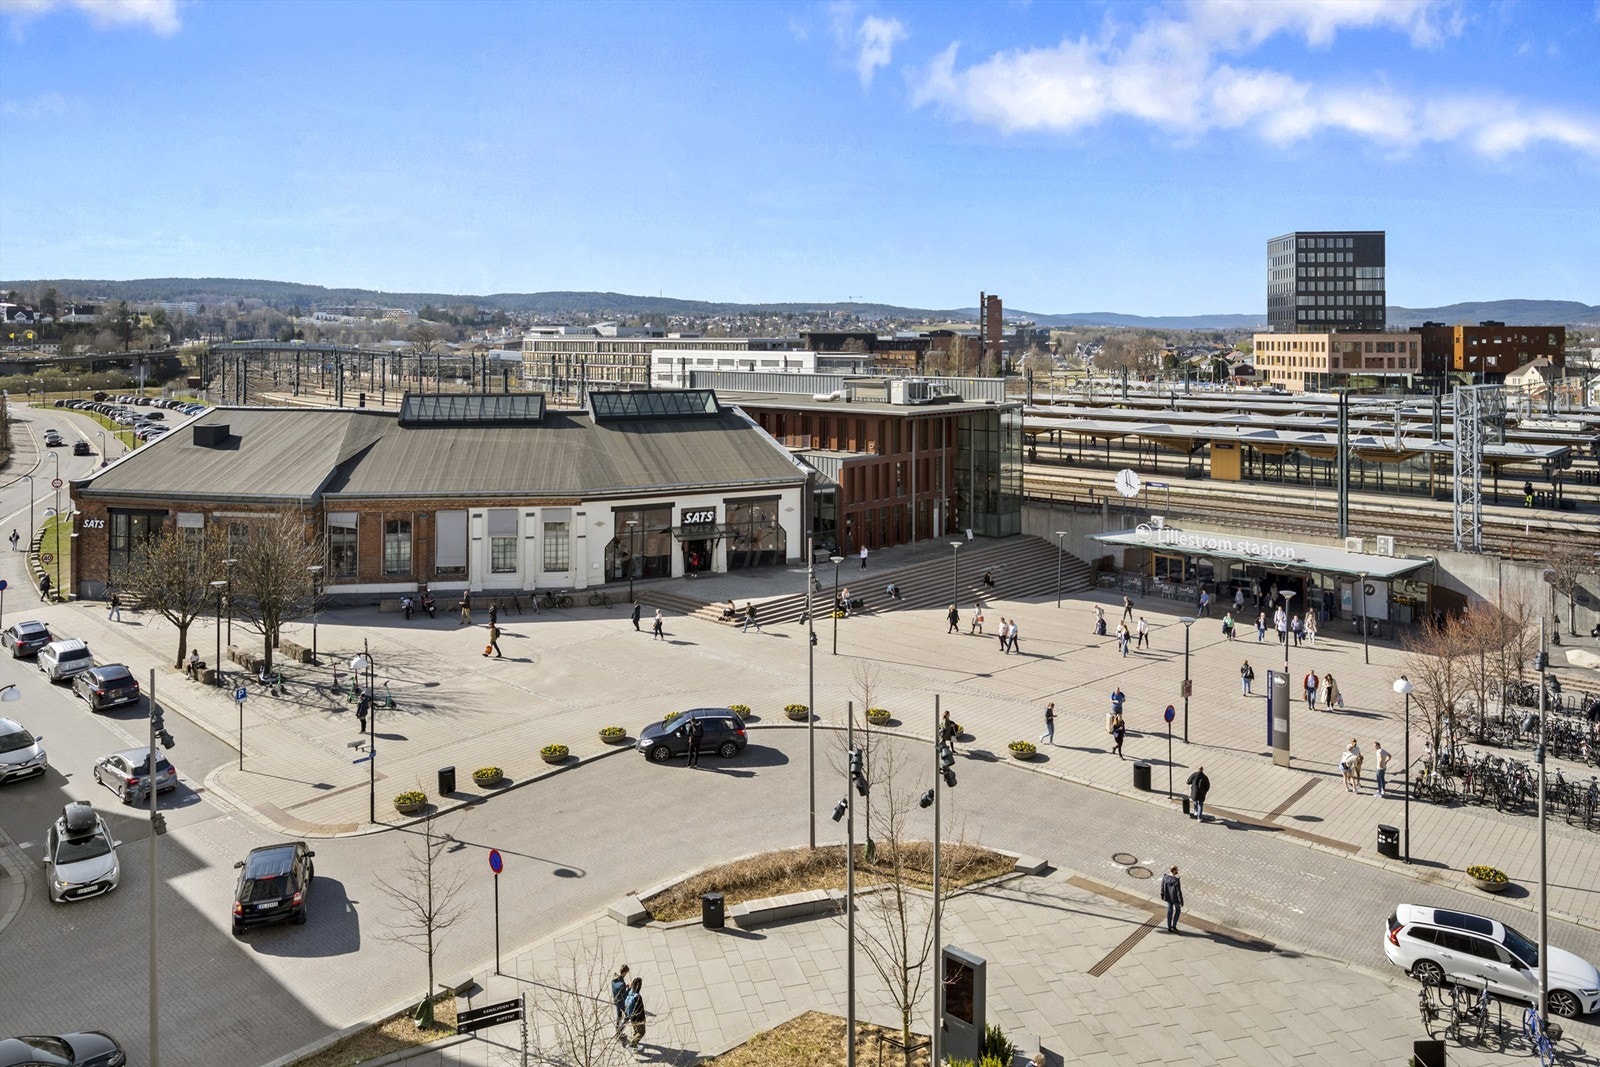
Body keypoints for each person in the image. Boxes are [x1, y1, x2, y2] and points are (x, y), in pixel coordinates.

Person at [622, 976, 646, 1048]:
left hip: (631, 1018)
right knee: (642, 1032)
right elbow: (640, 1009)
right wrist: (643, 1019)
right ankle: (633, 1044)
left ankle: (634, 1042)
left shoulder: (630, 992)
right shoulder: (638, 997)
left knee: (636, 1031)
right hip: (638, 1019)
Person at [1159, 866, 1184, 932]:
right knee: (1178, 910)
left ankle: (1169, 927)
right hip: (1175, 899)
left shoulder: (1165, 877)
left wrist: (1162, 895)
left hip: (1168, 898)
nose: (1178, 870)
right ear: (1174, 871)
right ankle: (1174, 926)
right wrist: (1181, 901)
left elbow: (1162, 887)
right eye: (1177, 869)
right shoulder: (1176, 880)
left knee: (1170, 911)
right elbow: (1178, 892)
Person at [611, 965, 631, 1041]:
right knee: (628, 1015)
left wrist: (625, 987)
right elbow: (625, 995)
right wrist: (629, 989)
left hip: (616, 1001)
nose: (626, 974)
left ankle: (617, 1030)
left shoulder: (614, 978)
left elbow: (617, 989)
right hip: (621, 1003)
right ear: (624, 972)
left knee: (619, 1017)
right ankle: (619, 1032)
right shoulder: (622, 984)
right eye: (626, 973)